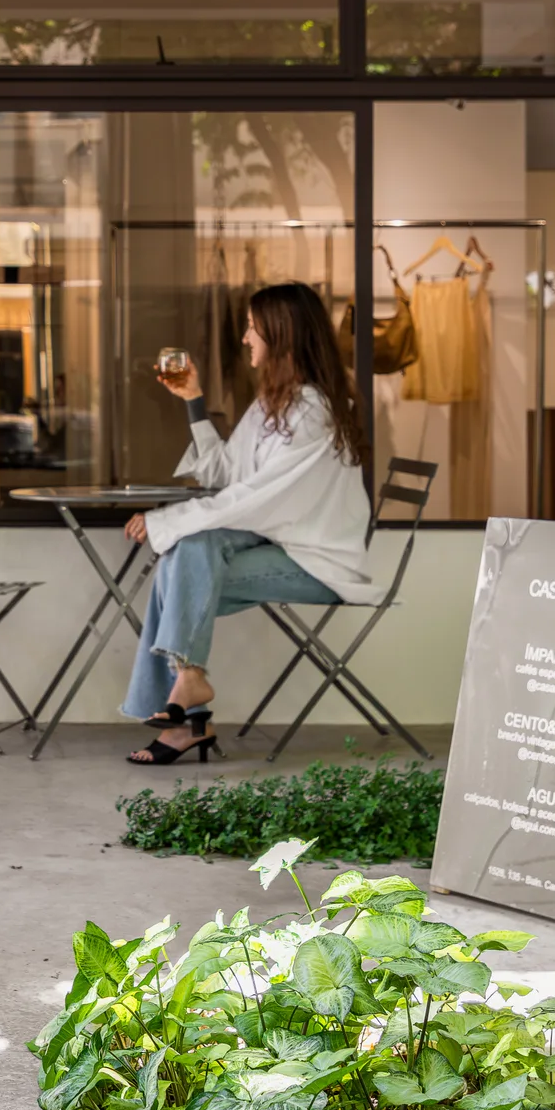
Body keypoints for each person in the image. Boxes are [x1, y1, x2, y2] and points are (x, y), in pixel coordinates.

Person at [123, 281, 383, 766]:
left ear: (280, 335)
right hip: (281, 544)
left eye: (251, 328)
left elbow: (254, 498)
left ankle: (184, 711)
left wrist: (169, 520)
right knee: (187, 554)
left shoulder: (312, 413)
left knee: (184, 555)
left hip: (317, 561)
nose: (245, 339)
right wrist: (193, 401)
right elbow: (227, 473)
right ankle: (188, 695)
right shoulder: (274, 403)